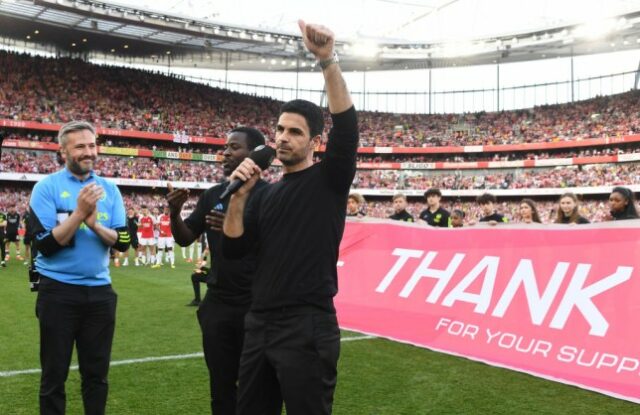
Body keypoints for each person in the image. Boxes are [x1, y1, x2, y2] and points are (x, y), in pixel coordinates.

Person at [221, 20, 357, 415]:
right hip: (259, 323)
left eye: (294, 132)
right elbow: (234, 250)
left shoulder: (329, 180)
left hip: (307, 325)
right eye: (279, 129)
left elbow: (347, 127)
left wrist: (327, 60)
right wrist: (238, 197)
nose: (282, 137)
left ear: (314, 142)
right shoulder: (264, 193)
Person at [28, 121, 129, 415]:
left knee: (96, 376)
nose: (89, 152)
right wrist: (80, 214)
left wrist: (94, 224)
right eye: (80, 146)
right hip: (57, 293)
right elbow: (44, 244)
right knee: (53, 376)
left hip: (100, 294)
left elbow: (123, 241)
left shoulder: (110, 189)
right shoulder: (46, 188)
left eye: (92, 145)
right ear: (63, 152)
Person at [167, 126, 267, 415]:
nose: (225, 152)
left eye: (234, 147)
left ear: (254, 154)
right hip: (219, 305)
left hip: (256, 305)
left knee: (257, 388)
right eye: (225, 147)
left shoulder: (270, 195)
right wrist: (175, 213)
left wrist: (234, 224)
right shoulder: (213, 194)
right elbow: (185, 237)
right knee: (221, 388)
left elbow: (275, 246)